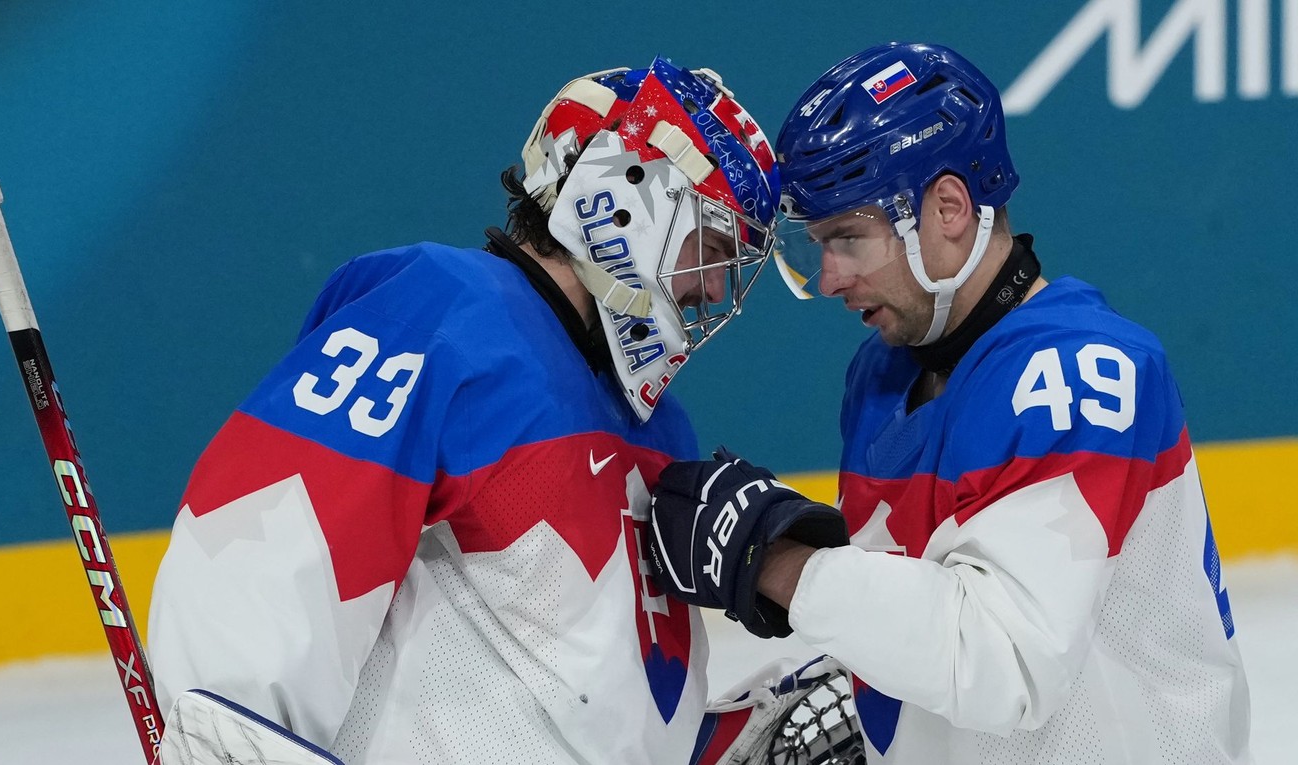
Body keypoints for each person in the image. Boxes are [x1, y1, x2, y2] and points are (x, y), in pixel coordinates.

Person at [147, 56, 782, 765]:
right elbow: (262, 541)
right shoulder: (442, 314)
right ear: (624, 197)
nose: (718, 285)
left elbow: (587, 711)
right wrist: (229, 735)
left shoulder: (659, 427)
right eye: (711, 245)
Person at [646, 42, 1252, 764]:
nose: (830, 278)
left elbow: (1003, 660)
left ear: (949, 207)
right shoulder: (881, 374)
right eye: (815, 246)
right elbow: (933, 608)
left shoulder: (1082, 372)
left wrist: (775, 560)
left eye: (847, 238)